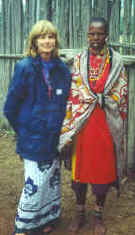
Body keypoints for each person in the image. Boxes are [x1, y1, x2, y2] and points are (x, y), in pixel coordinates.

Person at [59, 17, 128, 235]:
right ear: (87, 35)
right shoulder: (79, 60)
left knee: (103, 172)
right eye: (91, 34)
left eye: (99, 34)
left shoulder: (116, 61)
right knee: (79, 172)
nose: (95, 38)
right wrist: (73, 117)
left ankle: (98, 215)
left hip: (106, 122)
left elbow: (122, 91)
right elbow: (72, 91)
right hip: (82, 124)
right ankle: (79, 213)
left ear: (106, 35)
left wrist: (107, 100)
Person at [3, 20, 71, 235]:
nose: (47, 41)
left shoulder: (61, 68)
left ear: (55, 40)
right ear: (34, 41)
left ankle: (46, 218)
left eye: (50, 36)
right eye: (42, 37)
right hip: (32, 137)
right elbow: (10, 107)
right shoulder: (25, 67)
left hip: (54, 136)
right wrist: (24, 132)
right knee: (35, 182)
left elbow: (66, 100)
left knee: (51, 180)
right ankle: (23, 226)